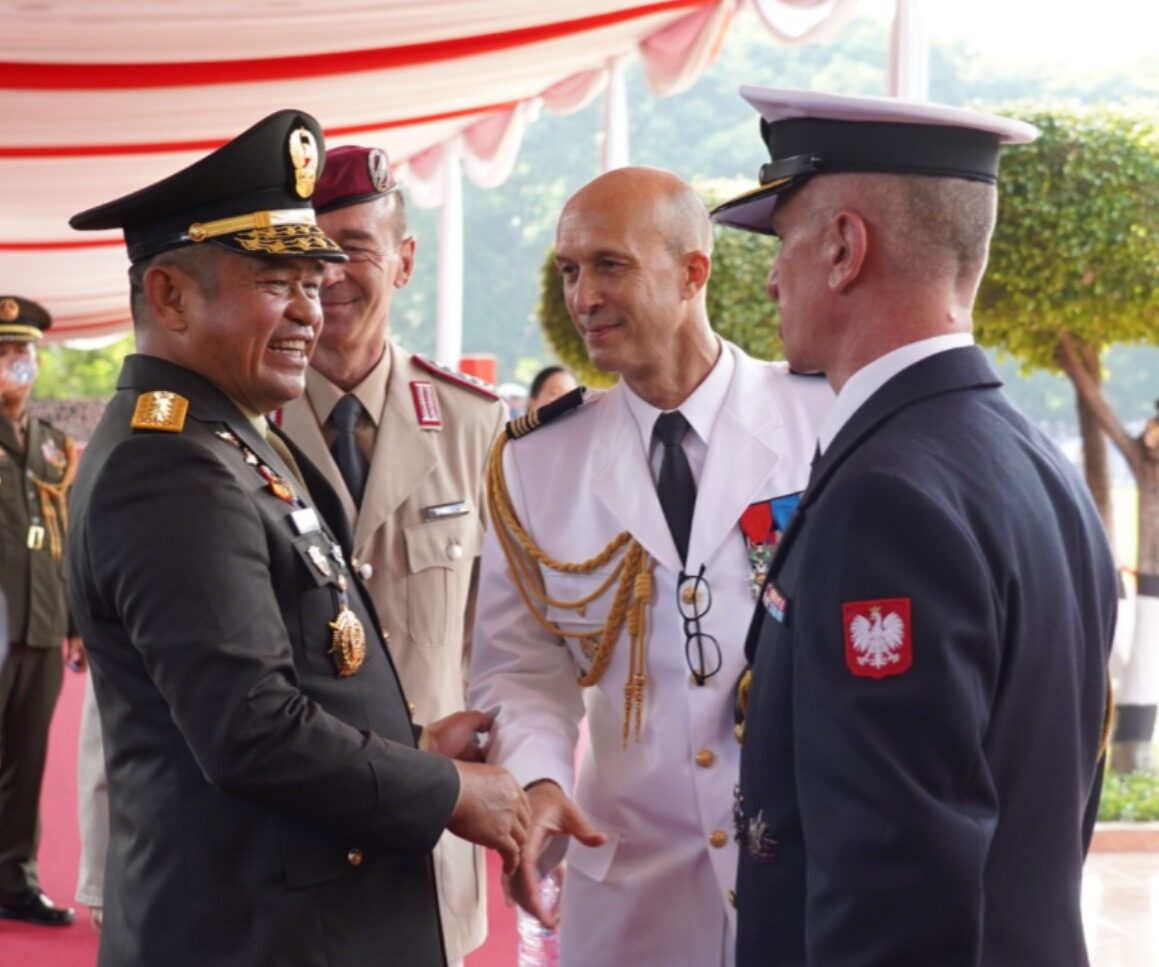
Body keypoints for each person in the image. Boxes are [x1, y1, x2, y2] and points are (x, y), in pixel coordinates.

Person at [66, 109, 529, 967]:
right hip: (258, 930)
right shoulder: (171, 465)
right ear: (169, 294)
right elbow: (250, 727)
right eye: (277, 280)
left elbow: (301, 672)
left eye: (315, 284)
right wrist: (447, 787)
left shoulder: (233, 436)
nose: (309, 312)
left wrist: (416, 742)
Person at [712, 87, 1119, 966]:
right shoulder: (1036, 466)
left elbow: (894, 875)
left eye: (783, 242)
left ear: (846, 248)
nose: (774, 275)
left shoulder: (884, 496)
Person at [468, 165, 833, 967]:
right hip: (630, 884)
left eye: (608, 264)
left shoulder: (819, 416)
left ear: (692, 271)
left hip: (798, 869)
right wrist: (535, 779)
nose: (582, 296)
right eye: (569, 270)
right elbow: (520, 668)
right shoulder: (538, 460)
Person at [278, 144, 507, 967]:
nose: (330, 272)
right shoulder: (240, 423)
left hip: (432, 831)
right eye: (309, 252)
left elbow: (504, 647)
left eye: (354, 247)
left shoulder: (474, 425)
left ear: (404, 261)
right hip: (287, 843)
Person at [0, 295, 84, 927]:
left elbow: (72, 537)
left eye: (23, 352)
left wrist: (76, 621)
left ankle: (14, 880)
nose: (16, 363)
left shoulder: (56, 447)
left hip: (42, 624)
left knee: (27, 761)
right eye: (3, 353)